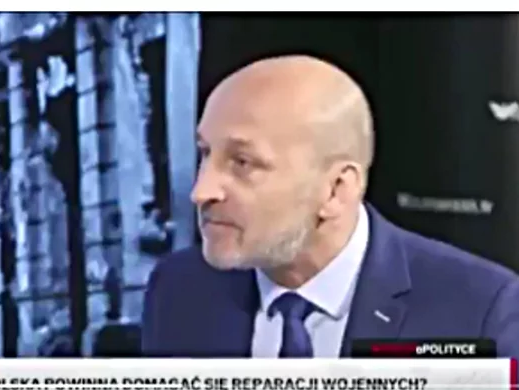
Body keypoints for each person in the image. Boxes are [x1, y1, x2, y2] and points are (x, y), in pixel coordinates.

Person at [141, 55, 519, 359]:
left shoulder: (480, 309)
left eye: (243, 162)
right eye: (205, 153)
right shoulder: (179, 289)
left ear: (336, 190)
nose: (201, 191)